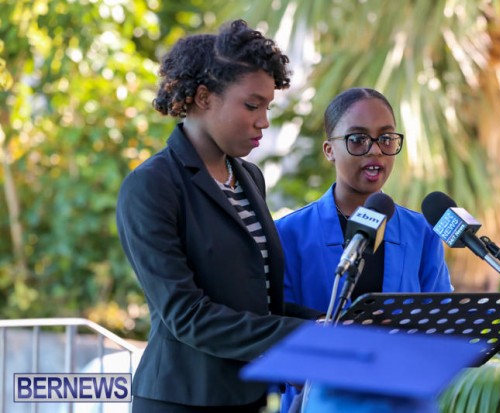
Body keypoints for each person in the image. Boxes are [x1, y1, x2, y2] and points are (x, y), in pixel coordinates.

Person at [116, 19, 320, 413]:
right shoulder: (151, 186)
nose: (263, 121)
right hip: (181, 400)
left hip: (248, 397)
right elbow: (186, 315)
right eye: (252, 105)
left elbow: (257, 303)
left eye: (268, 106)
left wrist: (333, 324)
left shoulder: (249, 178)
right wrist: (304, 334)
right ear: (204, 97)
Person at [275, 87, 453, 412]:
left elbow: (440, 327)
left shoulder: (422, 233)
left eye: (386, 139)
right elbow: (272, 327)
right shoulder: (289, 234)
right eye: (357, 139)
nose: (375, 151)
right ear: (329, 150)